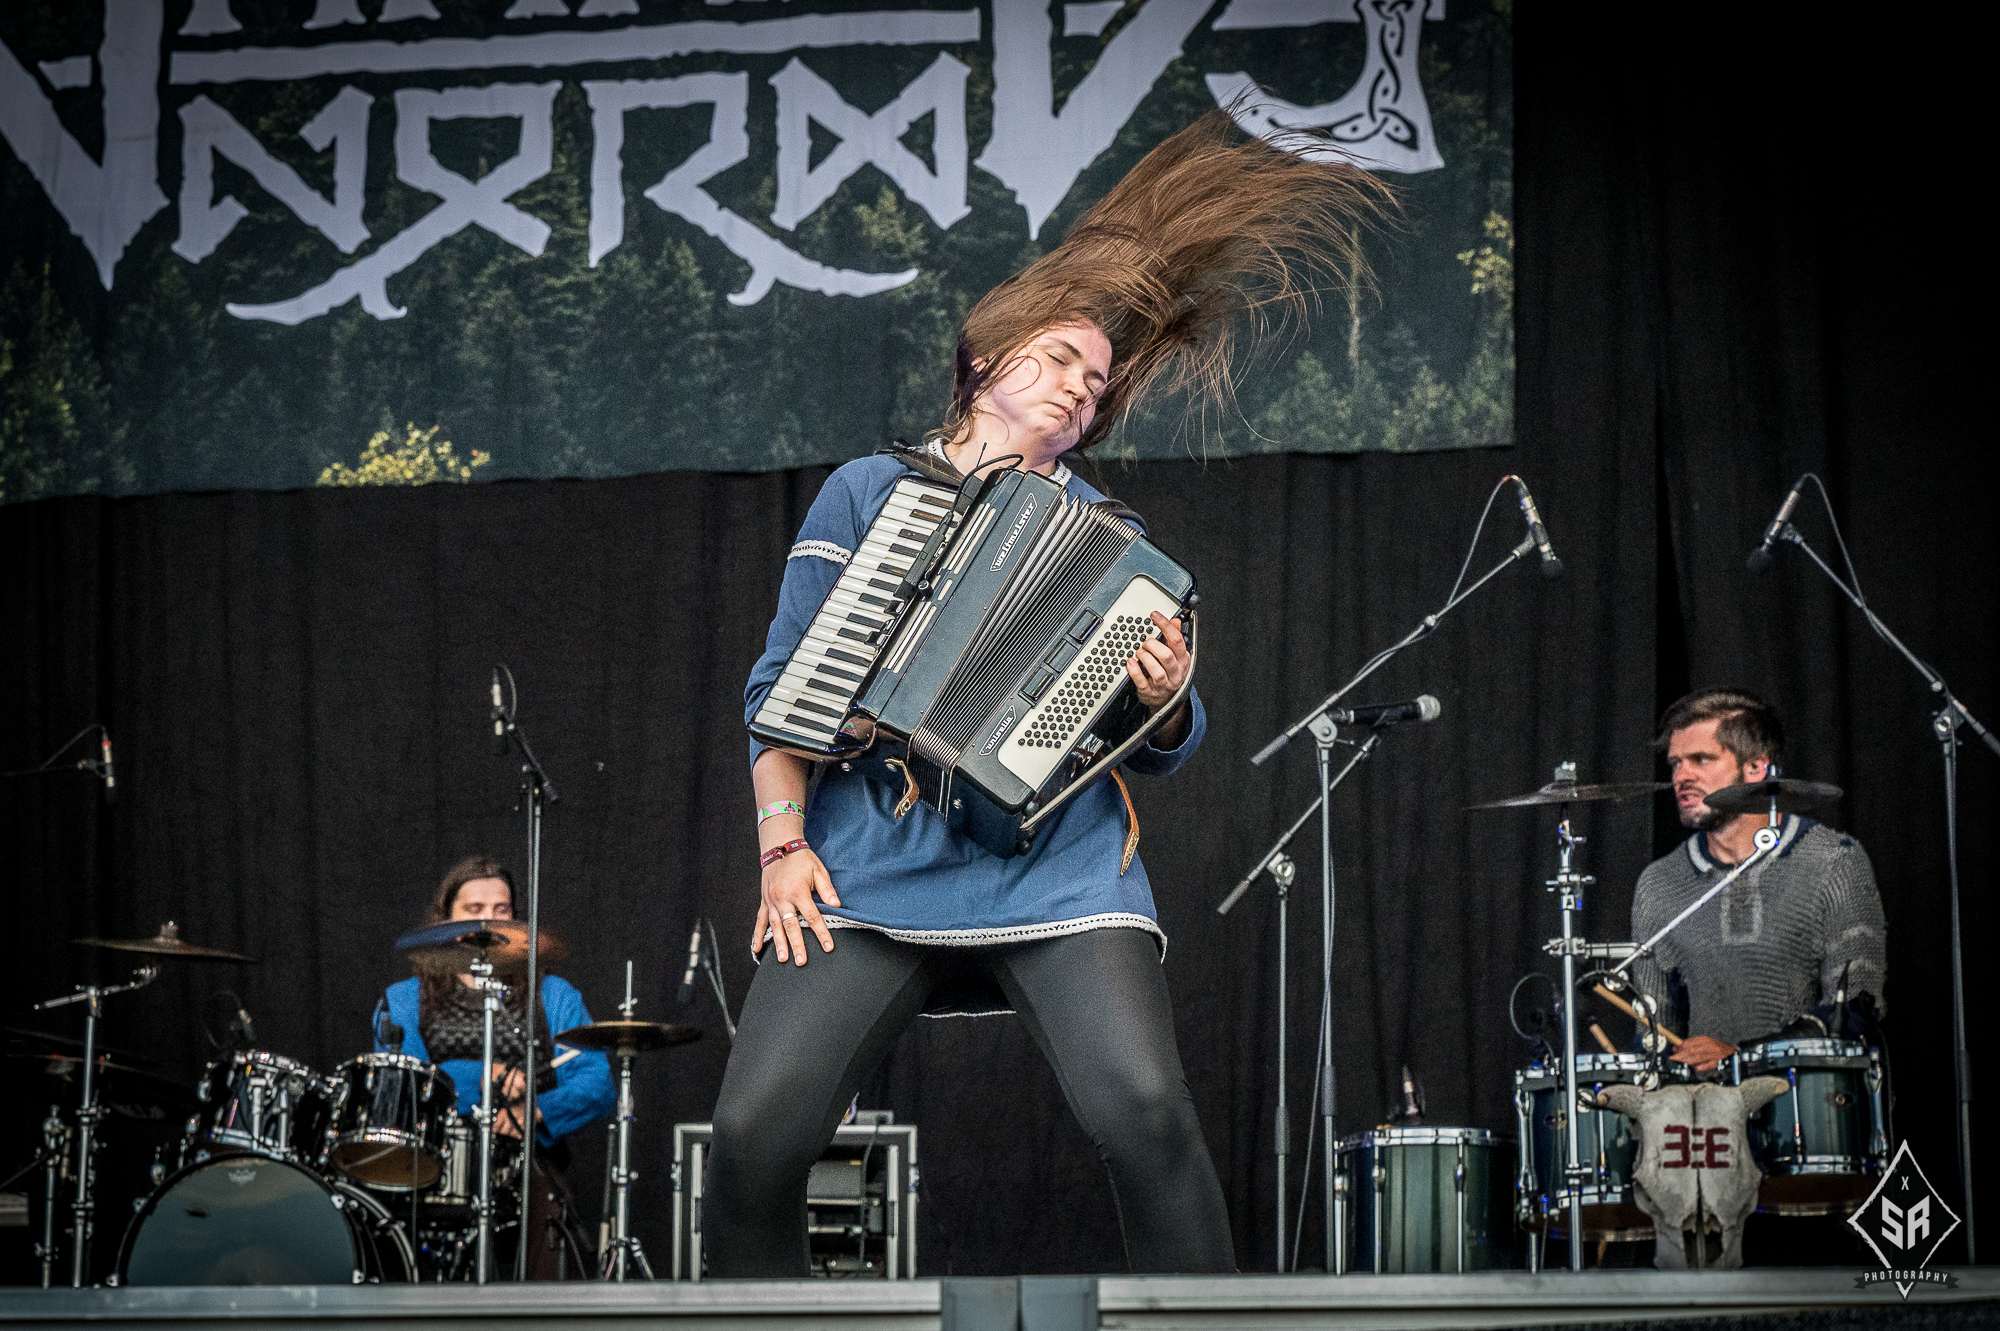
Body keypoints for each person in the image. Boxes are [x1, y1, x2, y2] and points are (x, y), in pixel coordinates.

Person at [704, 111, 1392, 1276]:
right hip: (872, 858)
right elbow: (779, 693)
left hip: (1056, 864)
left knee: (1148, 1115)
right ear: (987, 356)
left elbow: (1159, 742)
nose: (1083, 387)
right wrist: (782, 846)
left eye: (1097, 381)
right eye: (1063, 359)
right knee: (750, 1142)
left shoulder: (1109, 536)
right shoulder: (869, 491)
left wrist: (1165, 693)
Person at [374, 854, 615, 1277]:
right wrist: (484, 1076)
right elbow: (405, 1086)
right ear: (446, 920)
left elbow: (598, 1083)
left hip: (528, 1161)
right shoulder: (404, 999)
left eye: (500, 910)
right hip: (434, 1162)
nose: (488, 921)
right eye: (474, 909)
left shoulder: (553, 995)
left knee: (548, 1215)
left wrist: (534, 1110)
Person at [1628, 690, 1887, 1074]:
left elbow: (1855, 1010)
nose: (1682, 776)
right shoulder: (1659, 884)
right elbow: (1653, 1033)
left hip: (1807, 1097)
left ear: (1756, 768)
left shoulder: (1832, 860)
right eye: (1676, 763)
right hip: (1705, 1105)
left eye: (1701, 759)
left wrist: (1741, 1056)